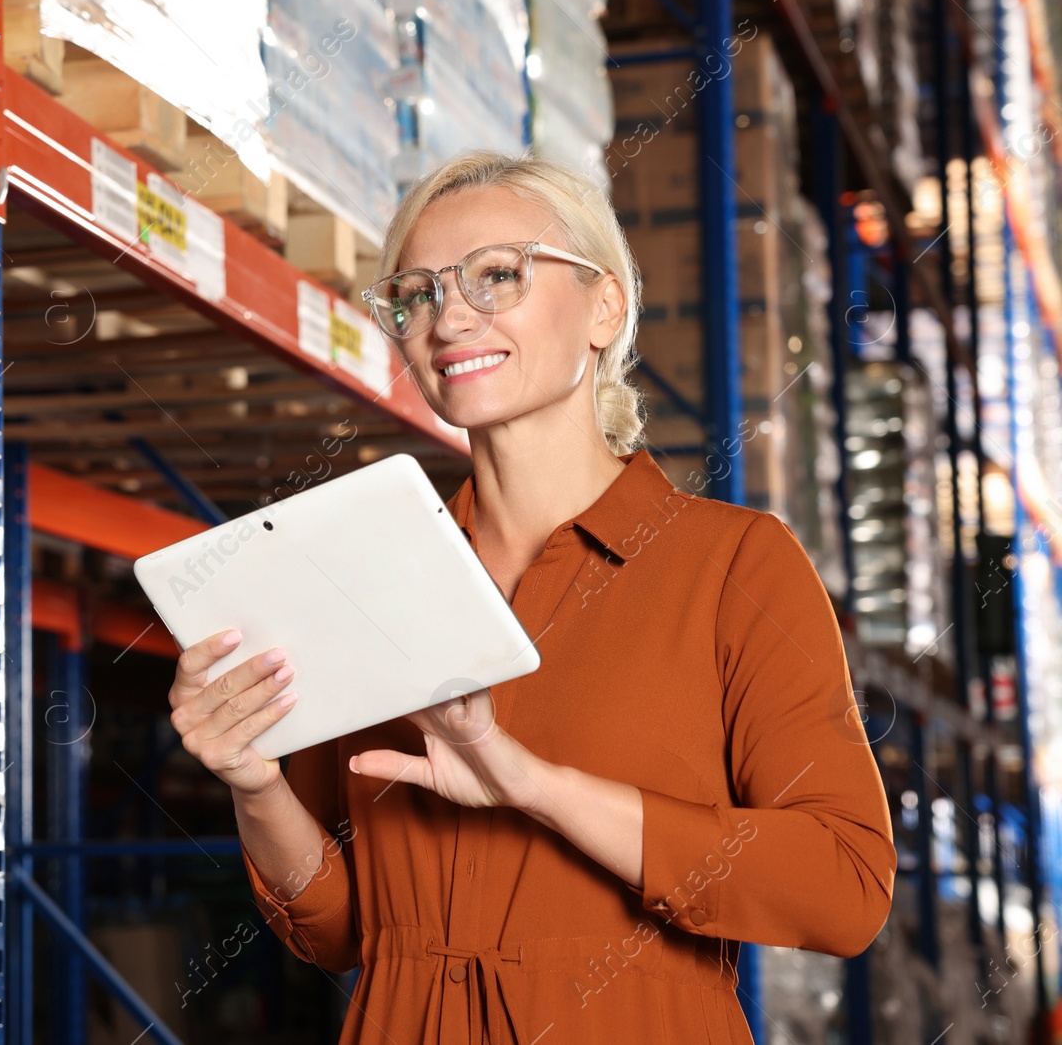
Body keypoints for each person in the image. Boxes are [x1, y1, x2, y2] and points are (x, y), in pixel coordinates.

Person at [164, 150, 894, 1043]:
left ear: (604, 306)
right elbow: (340, 931)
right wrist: (254, 782)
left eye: (496, 276)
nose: (449, 318)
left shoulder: (735, 566)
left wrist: (536, 787)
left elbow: (843, 889)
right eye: (420, 294)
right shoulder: (366, 574)